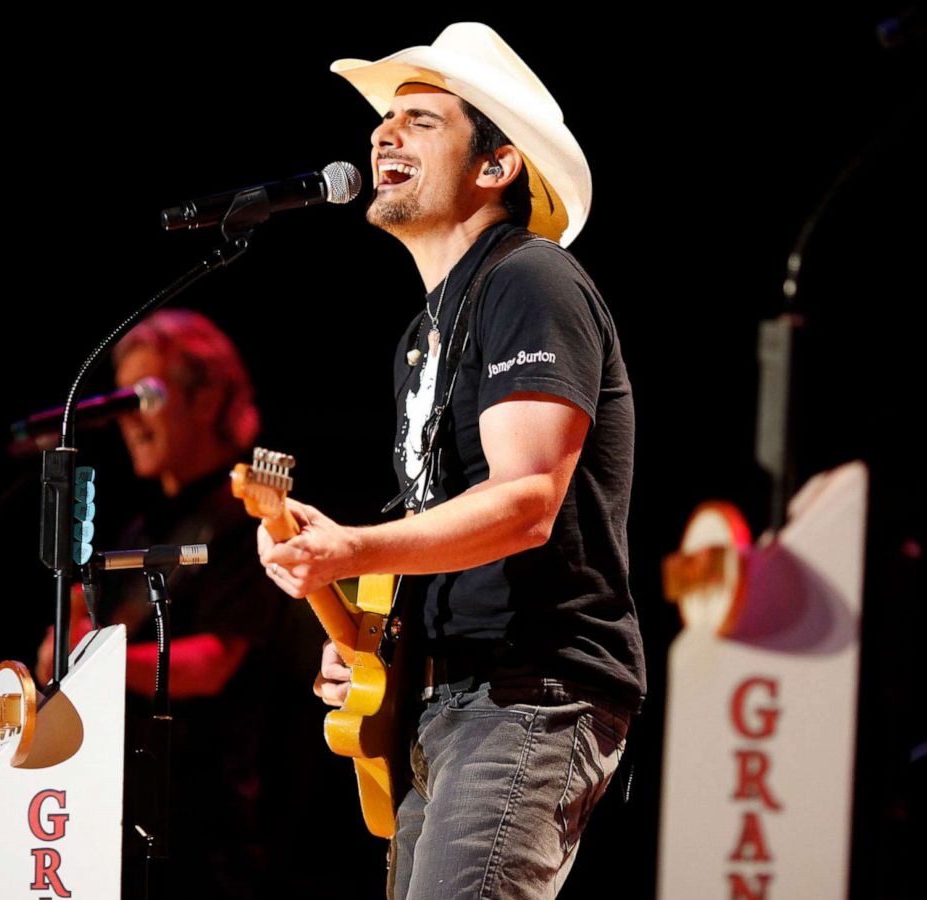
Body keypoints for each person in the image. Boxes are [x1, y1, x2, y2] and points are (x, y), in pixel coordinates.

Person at [253, 22, 645, 899]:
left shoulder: (530, 281)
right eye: (386, 120)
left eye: (421, 121)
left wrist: (354, 548)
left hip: (527, 695)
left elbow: (524, 503)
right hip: (447, 700)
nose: (384, 134)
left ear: (496, 166)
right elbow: (436, 529)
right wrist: (361, 638)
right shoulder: (422, 338)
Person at [38, 308, 320, 899]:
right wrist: (66, 640)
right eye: (123, 403)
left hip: (214, 826)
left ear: (209, 398)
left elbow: (215, 660)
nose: (131, 422)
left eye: (147, 397)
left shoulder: (248, 515)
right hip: (126, 812)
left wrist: (90, 662)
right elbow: (91, 644)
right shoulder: (140, 523)